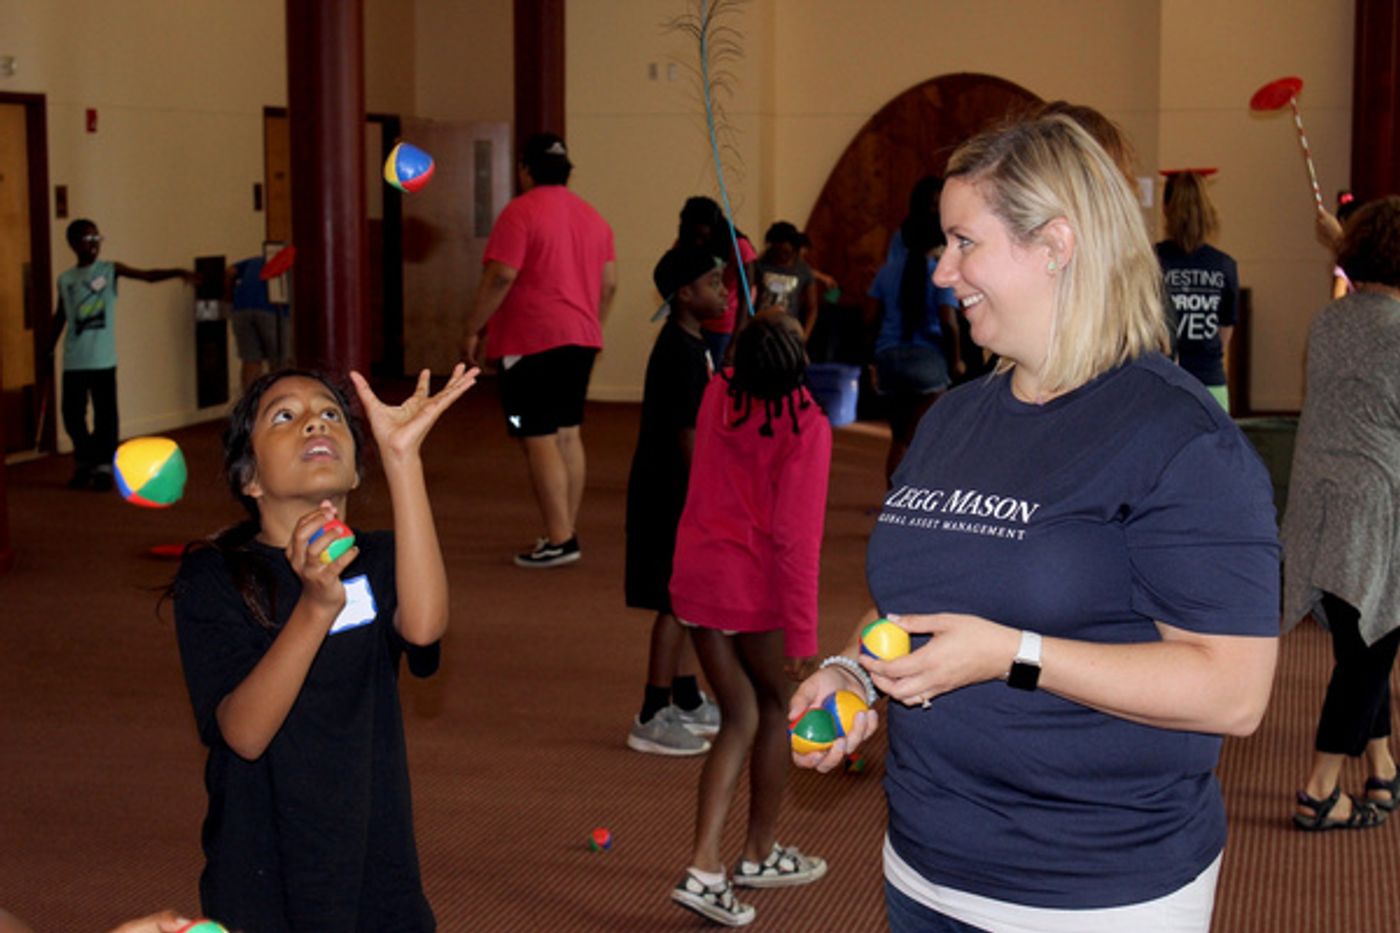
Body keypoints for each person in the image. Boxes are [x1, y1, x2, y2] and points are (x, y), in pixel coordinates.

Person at [791, 115, 1280, 933]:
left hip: (1095, 891)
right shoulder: (953, 420)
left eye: (963, 242)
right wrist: (852, 667)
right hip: (926, 868)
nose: (943, 271)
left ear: (1055, 244)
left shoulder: (1178, 436)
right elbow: (918, 609)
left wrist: (1016, 656)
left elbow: (1233, 692)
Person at [172, 363, 477, 931]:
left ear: (356, 473)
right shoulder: (214, 576)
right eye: (285, 416)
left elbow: (425, 626)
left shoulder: (381, 557)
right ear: (250, 479)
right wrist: (316, 606)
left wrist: (402, 457)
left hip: (373, 855)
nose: (315, 423)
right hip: (266, 865)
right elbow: (244, 732)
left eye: (331, 414)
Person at [668, 311, 833, 927]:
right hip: (756, 593)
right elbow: (797, 539)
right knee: (767, 710)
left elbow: (735, 358)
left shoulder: (718, 392)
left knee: (738, 714)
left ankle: (719, 863)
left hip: (699, 582)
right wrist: (804, 634)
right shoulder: (807, 425)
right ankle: (737, 859)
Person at [1283, 195, 1400, 832]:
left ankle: (1381, 770)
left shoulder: (1328, 322)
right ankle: (1320, 790)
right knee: (1370, 653)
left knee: (1363, 636)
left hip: (1318, 503)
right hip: (1379, 509)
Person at [461, 132, 617, 567]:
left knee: (538, 435)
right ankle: (563, 526)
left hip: (532, 340)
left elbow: (501, 277)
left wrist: (473, 328)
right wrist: (590, 327)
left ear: (525, 170)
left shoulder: (520, 213)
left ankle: (560, 537)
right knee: (567, 432)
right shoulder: (593, 218)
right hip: (581, 337)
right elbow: (609, 284)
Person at [624, 246, 729, 756]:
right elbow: (687, 438)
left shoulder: (696, 343)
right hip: (671, 493)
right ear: (684, 294)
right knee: (675, 604)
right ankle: (651, 711)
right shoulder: (678, 353)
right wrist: (709, 497)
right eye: (714, 282)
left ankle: (685, 697)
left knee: (686, 600)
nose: (724, 290)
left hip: (682, 492)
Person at [51, 219, 197, 490]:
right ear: (73, 244)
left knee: (105, 414)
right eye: (88, 240)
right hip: (75, 359)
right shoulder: (66, 280)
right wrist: (47, 348)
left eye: (97, 239)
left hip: (103, 359)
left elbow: (147, 276)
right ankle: (85, 460)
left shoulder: (109, 270)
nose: (94, 245)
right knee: (72, 414)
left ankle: (103, 466)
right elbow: (61, 316)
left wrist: (177, 272)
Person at [869, 176, 963, 484]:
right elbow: (948, 323)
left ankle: (891, 501)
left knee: (898, 437)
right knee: (921, 435)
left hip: (889, 357)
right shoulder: (939, 274)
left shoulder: (887, 270)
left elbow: (874, 318)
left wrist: (872, 361)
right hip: (927, 360)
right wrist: (956, 362)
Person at [1156, 170, 1239, 411]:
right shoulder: (1224, 265)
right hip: (1210, 381)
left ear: (1166, 210)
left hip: (1164, 381)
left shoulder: (1151, 260)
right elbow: (1225, 330)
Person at [678, 196, 757, 366]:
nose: (698, 240)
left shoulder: (739, 246)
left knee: (718, 381)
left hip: (725, 327)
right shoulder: (686, 241)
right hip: (696, 324)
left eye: (702, 235)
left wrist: (736, 341)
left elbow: (747, 297)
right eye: (694, 235)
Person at [225, 253, 292, 390]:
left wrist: (229, 297)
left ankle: (249, 404)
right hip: (272, 309)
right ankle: (279, 397)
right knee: (280, 361)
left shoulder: (257, 260)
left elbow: (229, 272)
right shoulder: (293, 260)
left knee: (250, 360)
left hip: (241, 309)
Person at [752, 221, 819, 340]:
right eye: (777, 252)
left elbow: (812, 308)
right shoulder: (760, 266)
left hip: (789, 333)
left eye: (787, 253)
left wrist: (804, 336)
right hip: (760, 329)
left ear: (795, 250)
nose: (782, 256)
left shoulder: (803, 270)